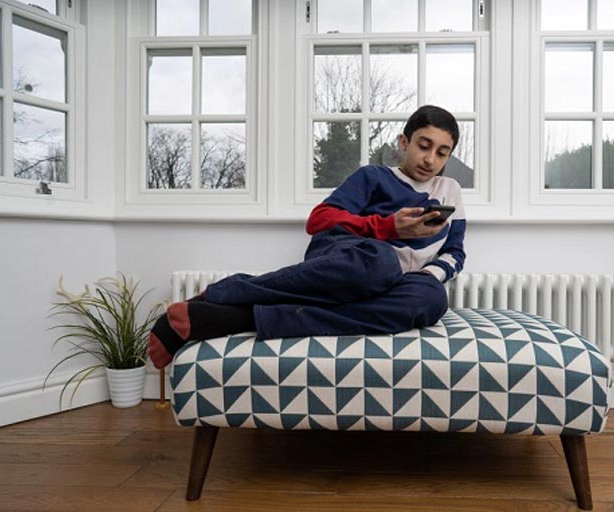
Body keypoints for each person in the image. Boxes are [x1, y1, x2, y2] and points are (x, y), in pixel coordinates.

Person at [148, 105, 467, 369]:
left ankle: (242, 317)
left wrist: (428, 274)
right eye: (424, 146)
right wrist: (388, 228)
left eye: (442, 153)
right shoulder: (373, 176)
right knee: (381, 262)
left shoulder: (449, 190)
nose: (431, 159)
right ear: (403, 142)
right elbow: (319, 220)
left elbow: (454, 252)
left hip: (396, 281)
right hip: (352, 259)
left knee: (432, 298)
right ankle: (228, 291)